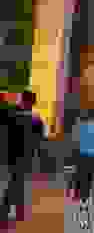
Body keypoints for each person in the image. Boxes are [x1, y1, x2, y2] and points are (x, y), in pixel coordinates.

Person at [1, 90, 47, 222]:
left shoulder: (13, 115)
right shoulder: (35, 119)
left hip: (13, 154)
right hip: (26, 155)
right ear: (32, 103)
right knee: (17, 182)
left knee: (17, 182)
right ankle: (8, 211)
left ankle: (15, 211)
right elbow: (40, 139)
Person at [69, 110, 94, 206]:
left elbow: (74, 142)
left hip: (80, 156)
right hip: (92, 156)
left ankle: (79, 197)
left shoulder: (79, 127)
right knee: (91, 177)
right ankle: (87, 199)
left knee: (80, 177)